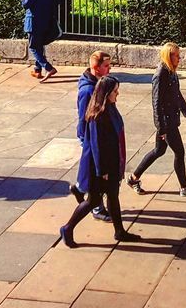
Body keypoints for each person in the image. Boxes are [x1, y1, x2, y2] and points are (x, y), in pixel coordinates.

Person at [59, 76, 140, 246]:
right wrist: (102, 171)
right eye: (115, 91)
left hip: (111, 164)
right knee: (93, 201)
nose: (118, 94)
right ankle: (67, 228)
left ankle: (119, 231)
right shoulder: (98, 115)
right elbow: (96, 147)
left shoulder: (110, 107)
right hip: (100, 169)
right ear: (106, 93)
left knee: (113, 196)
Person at [127, 43, 186, 198]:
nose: (179, 58)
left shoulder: (171, 71)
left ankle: (134, 179)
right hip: (167, 123)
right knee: (179, 152)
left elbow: (176, 92)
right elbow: (156, 103)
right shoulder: (160, 74)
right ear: (168, 56)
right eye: (176, 55)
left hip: (170, 119)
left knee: (159, 151)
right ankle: (184, 187)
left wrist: (184, 107)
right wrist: (161, 127)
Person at [72, 50, 114, 222]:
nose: (109, 69)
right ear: (96, 67)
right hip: (90, 137)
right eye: (106, 66)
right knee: (96, 172)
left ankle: (80, 189)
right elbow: (83, 116)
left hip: (96, 135)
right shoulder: (87, 90)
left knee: (91, 170)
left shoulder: (97, 83)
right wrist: (84, 138)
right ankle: (97, 207)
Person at [21, 0, 59, 81]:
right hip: (46, 22)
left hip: (33, 23)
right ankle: (37, 70)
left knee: (33, 47)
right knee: (40, 46)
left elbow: (25, 4)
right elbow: (56, 2)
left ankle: (48, 67)